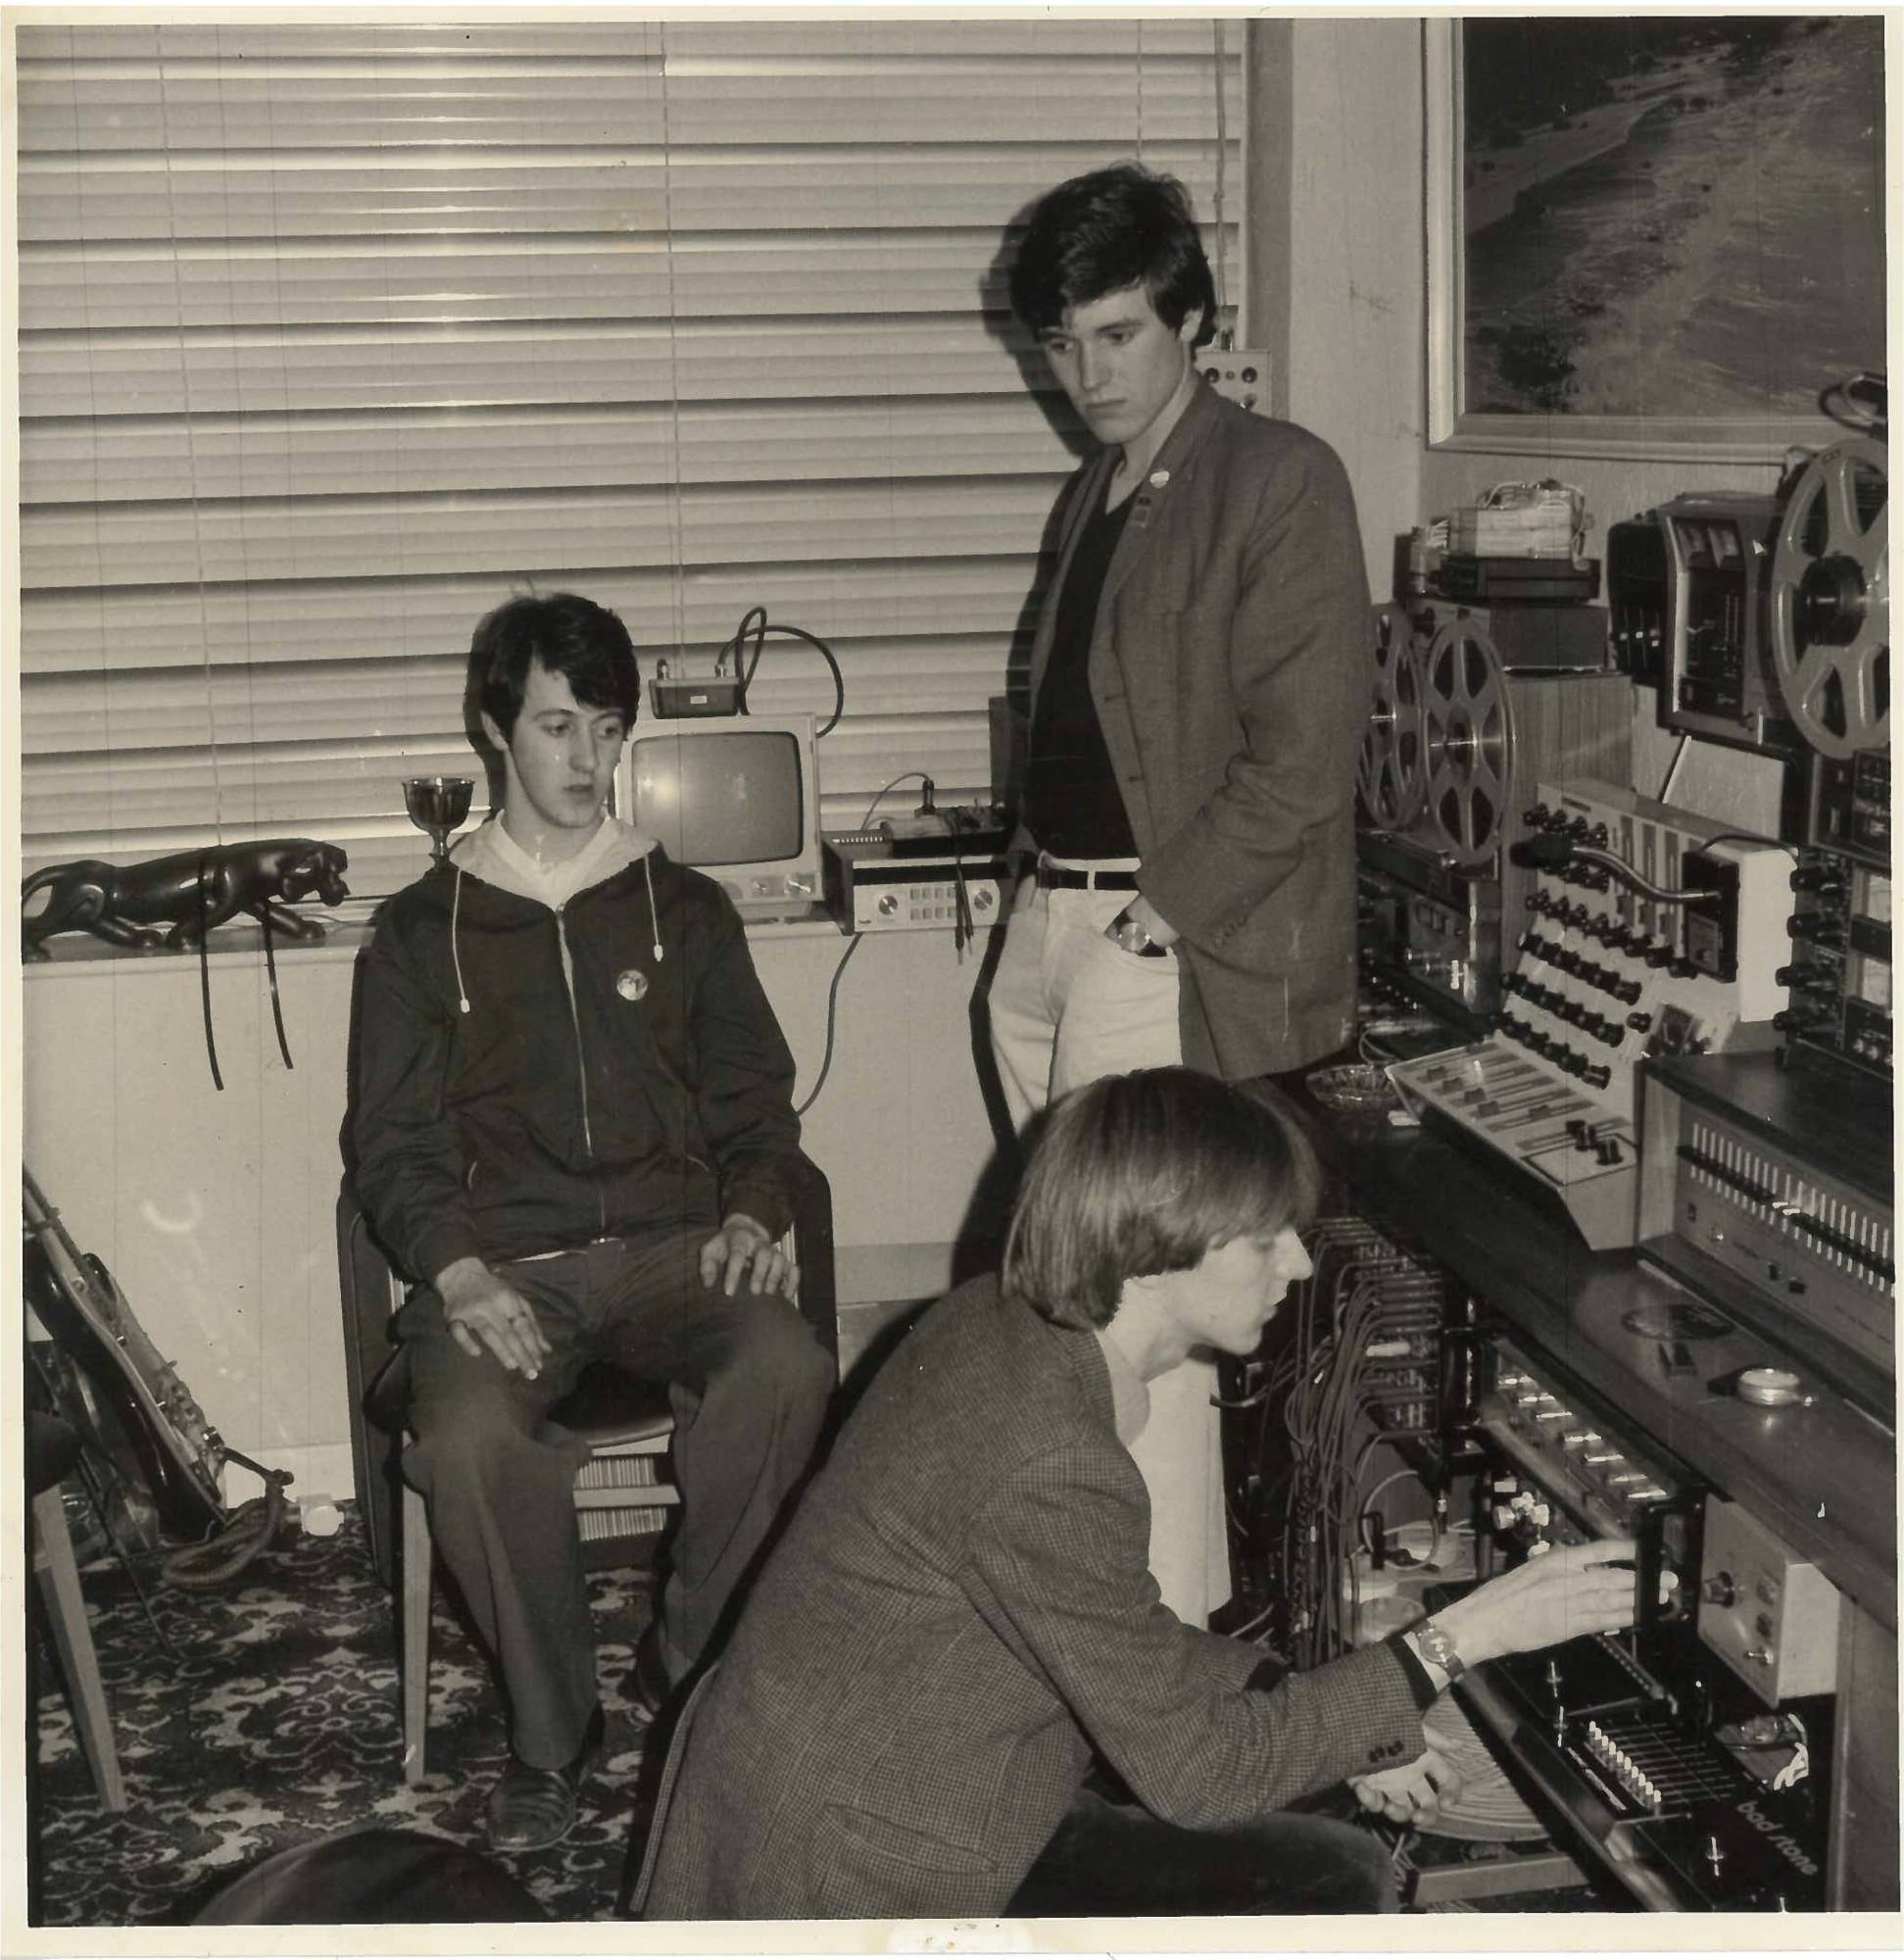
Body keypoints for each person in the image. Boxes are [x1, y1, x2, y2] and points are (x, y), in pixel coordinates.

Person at [640, 1067, 1641, 1921]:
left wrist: (1330, 1713)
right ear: (1156, 1249)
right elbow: (1197, 1774)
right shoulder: (1048, 1455)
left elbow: (1112, 1630)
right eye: (1266, 1239)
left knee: (1328, 1815)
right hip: (857, 1872)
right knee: (1333, 1880)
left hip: (864, 1774)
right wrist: (1457, 1635)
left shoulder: (1001, 1324)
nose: (1296, 1262)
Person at [351, 592, 833, 1853]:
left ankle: (691, 1665)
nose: (587, 761)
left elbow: (753, 1095)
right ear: (493, 730)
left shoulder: (686, 910)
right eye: (557, 726)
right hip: (507, 1267)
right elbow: (388, 1147)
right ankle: (554, 1733)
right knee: (463, 1434)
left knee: (782, 1366)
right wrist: (456, 1273)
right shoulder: (417, 933)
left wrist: (752, 1205)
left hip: (679, 1248)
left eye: (606, 729)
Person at [983, 163, 1377, 1630]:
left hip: (1160, 943)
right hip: (1058, 926)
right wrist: (1038, 914)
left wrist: (1155, 916)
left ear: (1191, 323)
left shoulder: (1277, 478)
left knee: (1138, 1310)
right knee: (1068, 1309)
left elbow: (1302, 759)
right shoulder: (1097, 489)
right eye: (1062, 344)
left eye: (1115, 337)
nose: (1083, 374)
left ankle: (1158, 1649)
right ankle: (1092, 1618)